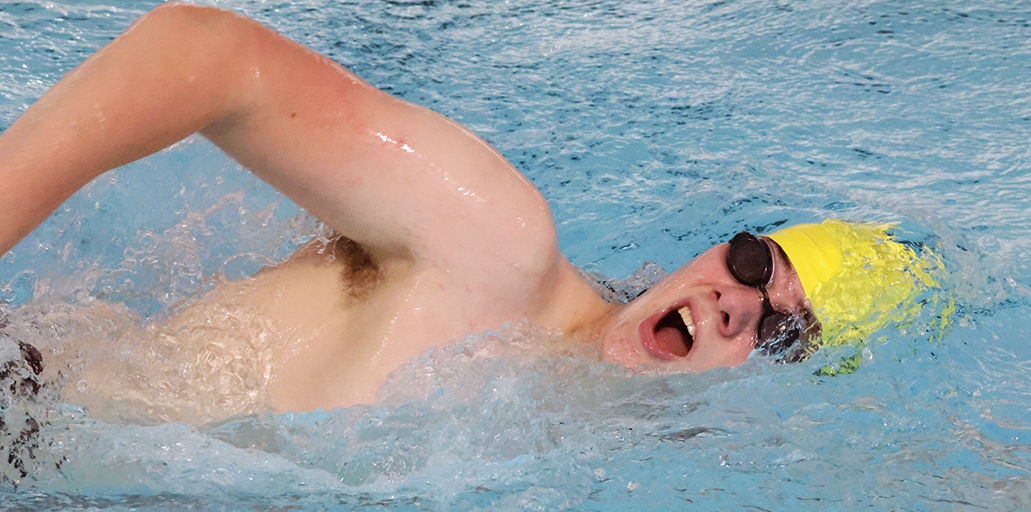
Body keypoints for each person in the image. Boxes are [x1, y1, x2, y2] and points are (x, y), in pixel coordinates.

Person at [0, 3, 929, 418]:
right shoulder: (498, 247)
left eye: (779, 337)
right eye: (758, 266)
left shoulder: (567, 447)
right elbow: (202, 52)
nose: (737, 305)